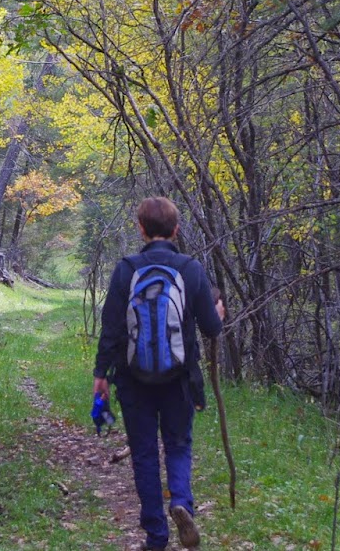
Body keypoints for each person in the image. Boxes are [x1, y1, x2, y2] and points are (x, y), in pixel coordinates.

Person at [94, 197, 225, 550]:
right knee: (178, 445)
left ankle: (156, 536)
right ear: (176, 229)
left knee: (144, 453)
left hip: (133, 378)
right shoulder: (190, 269)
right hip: (180, 379)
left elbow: (111, 327)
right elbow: (212, 329)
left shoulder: (126, 269)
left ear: (141, 228)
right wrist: (218, 311)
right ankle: (181, 501)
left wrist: (101, 373)